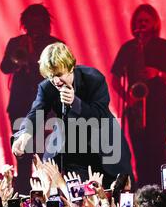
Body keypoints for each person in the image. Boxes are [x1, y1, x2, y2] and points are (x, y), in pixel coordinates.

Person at [11, 42, 134, 188]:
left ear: (70, 68)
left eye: (59, 74)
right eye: (51, 76)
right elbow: (36, 112)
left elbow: (100, 115)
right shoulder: (47, 87)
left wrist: (76, 103)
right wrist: (24, 135)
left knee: (113, 192)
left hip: (103, 145)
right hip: (72, 147)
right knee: (73, 193)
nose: (56, 81)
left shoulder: (93, 79)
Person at [111, 4, 166, 187]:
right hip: (135, 109)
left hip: (157, 107)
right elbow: (114, 78)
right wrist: (128, 97)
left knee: (156, 154)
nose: (142, 24)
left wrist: (158, 73)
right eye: (139, 20)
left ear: (154, 23)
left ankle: (157, 194)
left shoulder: (164, 46)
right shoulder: (128, 48)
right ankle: (142, 193)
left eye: (146, 21)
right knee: (140, 157)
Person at [1, 4, 63, 194]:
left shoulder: (54, 44)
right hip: (20, 105)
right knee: (22, 155)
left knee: (47, 154)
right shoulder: (16, 42)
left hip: (46, 106)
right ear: (25, 24)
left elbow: (63, 71)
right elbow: (4, 67)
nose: (34, 26)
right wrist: (19, 56)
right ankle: (22, 195)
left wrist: (34, 59)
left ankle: (50, 195)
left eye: (38, 22)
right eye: (31, 22)